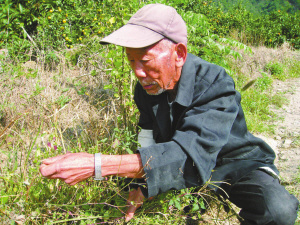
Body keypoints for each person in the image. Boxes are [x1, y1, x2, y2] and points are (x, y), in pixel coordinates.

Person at [39, 4, 299, 224]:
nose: (138, 72)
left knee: (279, 212)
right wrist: (140, 186)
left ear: (179, 54)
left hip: (233, 164)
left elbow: (190, 155)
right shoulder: (146, 88)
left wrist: (97, 165)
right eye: (131, 60)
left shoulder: (214, 82)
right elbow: (148, 136)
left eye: (146, 60)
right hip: (180, 167)